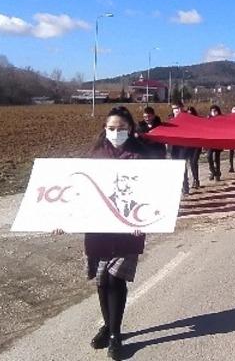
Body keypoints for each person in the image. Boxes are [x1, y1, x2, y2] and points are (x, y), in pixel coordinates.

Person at [54, 107, 150, 358]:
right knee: (101, 280)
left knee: (115, 279)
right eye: (111, 128)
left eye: (121, 129)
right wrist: (61, 217)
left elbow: (153, 192)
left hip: (128, 229)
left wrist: (148, 217)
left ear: (130, 129)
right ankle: (108, 326)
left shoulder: (142, 156)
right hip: (98, 230)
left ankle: (116, 335)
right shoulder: (95, 156)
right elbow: (78, 193)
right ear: (105, 129)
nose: (116, 133)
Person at [206, 105, 224, 181]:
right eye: (212, 111)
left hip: (218, 141)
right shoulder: (208, 118)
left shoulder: (221, 119)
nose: (214, 112)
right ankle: (213, 171)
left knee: (217, 158)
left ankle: (217, 174)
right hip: (210, 141)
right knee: (209, 156)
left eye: (215, 111)